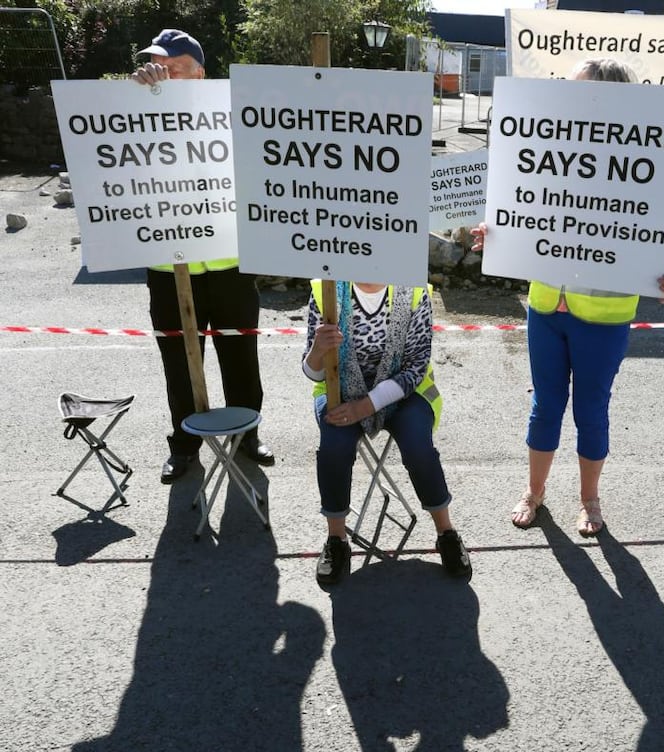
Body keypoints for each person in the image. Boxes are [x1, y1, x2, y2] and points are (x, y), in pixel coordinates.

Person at [471, 58, 664, 538]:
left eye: (582, 92)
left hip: (603, 319)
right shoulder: (549, 143)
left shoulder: (644, 157)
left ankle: (589, 499)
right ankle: (535, 492)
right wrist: (498, 234)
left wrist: (663, 278)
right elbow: (525, 208)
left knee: (591, 409)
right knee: (545, 406)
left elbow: (651, 239)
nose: (571, 100)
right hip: (546, 309)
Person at [131, 30, 274, 483]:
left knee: (240, 356)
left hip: (228, 264)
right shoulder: (134, 107)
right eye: (157, 65)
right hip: (166, 266)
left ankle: (247, 434)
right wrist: (139, 97)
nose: (163, 72)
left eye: (173, 66)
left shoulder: (229, 113)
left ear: (199, 71)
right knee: (178, 363)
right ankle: (184, 442)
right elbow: (112, 147)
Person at [302, 279, 472, 585]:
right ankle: (336, 540)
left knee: (418, 445)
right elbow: (313, 370)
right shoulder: (324, 290)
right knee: (333, 447)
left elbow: (415, 368)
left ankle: (446, 533)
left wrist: (365, 406)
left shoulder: (416, 290)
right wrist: (317, 351)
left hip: (403, 392)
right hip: (339, 389)